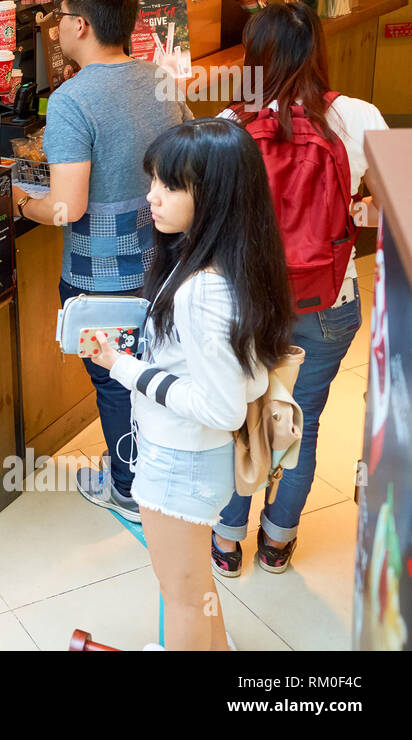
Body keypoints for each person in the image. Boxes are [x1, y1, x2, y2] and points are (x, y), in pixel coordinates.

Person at [90, 118, 296, 651]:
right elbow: (243, 377)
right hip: (196, 461)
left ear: (215, 195)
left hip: (179, 462)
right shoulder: (233, 263)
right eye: (154, 180)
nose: (152, 197)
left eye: (169, 185)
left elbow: (222, 406)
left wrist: (123, 366)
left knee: (180, 596)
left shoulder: (202, 289)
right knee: (195, 588)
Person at [211, 2, 386, 575]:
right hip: (326, 304)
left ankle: (228, 538)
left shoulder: (231, 127)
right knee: (299, 423)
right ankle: (278, 541)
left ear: (253, 60)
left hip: (245, 303)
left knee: (241, 416)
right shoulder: (359, 117)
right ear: (319, 52)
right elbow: (395, 206)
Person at [13, 0, 190, 522]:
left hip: (102, 270)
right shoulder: (158, 79)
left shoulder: (72, 99)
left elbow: (68, 205)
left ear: (82, 24)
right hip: (165, 257)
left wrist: (21, 203)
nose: (54, 27)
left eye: (58, 17)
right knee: (153, 370)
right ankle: (151, 473)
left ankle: (128, 488)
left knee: (115, 378)